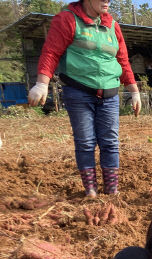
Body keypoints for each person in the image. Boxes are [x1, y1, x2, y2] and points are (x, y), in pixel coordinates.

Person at [26, 0, 141, 197]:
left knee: (110, 142)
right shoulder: (67, 19)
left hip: (110, 93)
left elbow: (122, 60)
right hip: (79, 92)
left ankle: (112, 191)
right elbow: (51, 52)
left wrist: (134, 90)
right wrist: (42, 83)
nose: (107, 1)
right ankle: (91, 192)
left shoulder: (112, 25)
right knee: (86, 142)